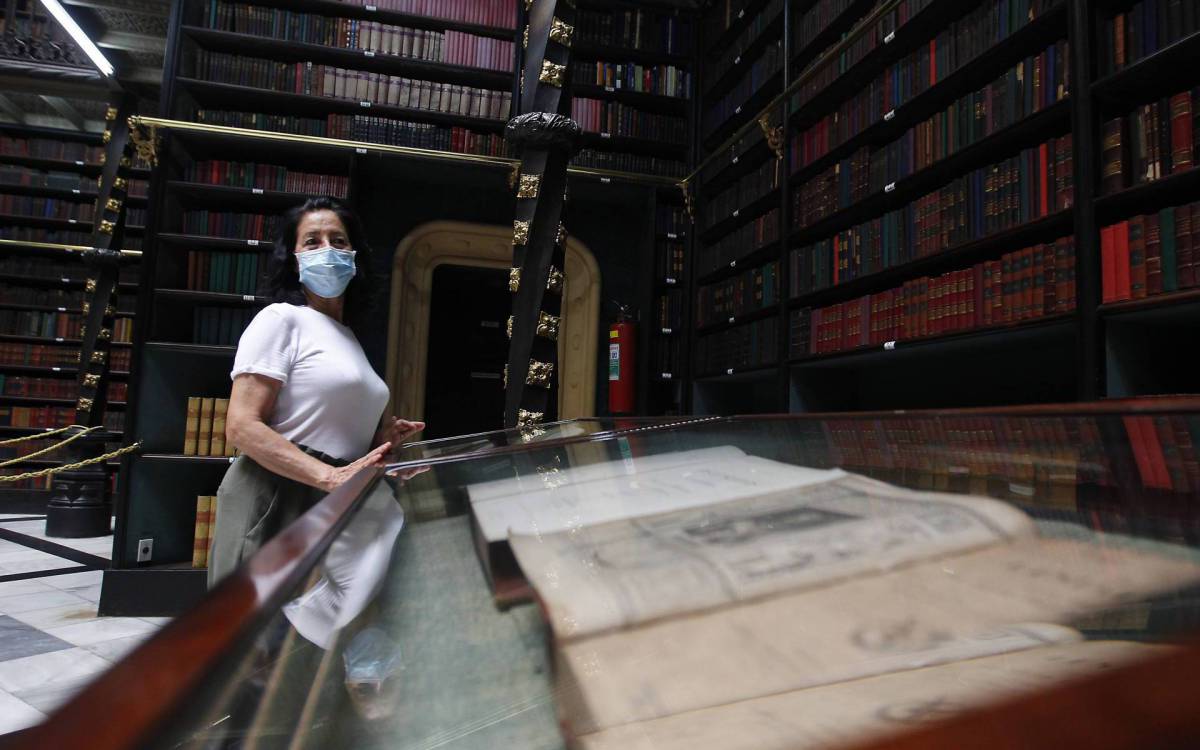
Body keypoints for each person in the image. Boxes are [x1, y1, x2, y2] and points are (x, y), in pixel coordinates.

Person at [208, 197, 424, 587]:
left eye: (338, 241)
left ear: (354, 256)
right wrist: (330, 477)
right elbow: (241, 426)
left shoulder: (349, 338)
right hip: (277, 493)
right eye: (312, 241)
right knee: (257, 634)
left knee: (313, 636)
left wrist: (382, 440)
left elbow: (327, 425)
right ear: (293, 258)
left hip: (331, 495)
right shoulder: (281, 319)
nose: (328, 250)